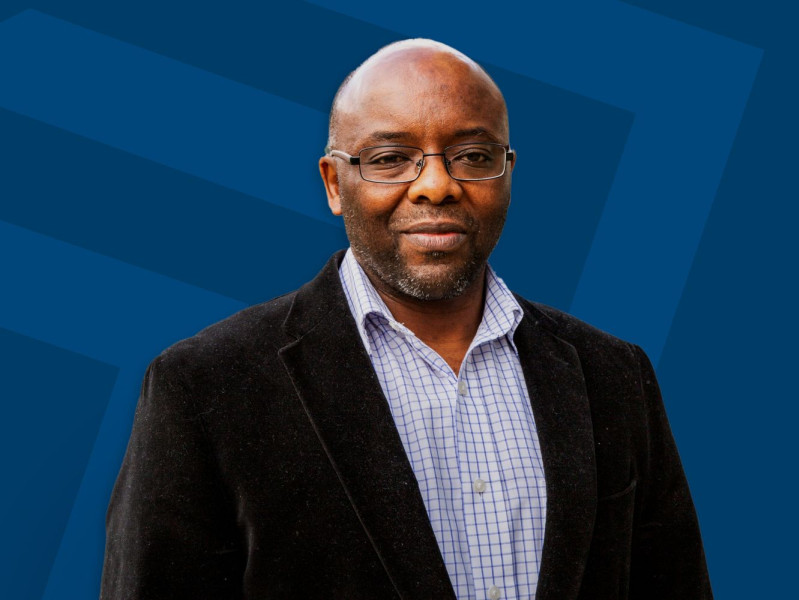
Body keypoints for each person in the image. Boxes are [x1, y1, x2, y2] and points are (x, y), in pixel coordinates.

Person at [100, 39, 712, 599]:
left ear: (507, 173)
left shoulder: (614, 376)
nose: (437, 186)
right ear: (335, 183)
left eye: (472, 155)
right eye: (391, 159)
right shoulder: (205, 386)